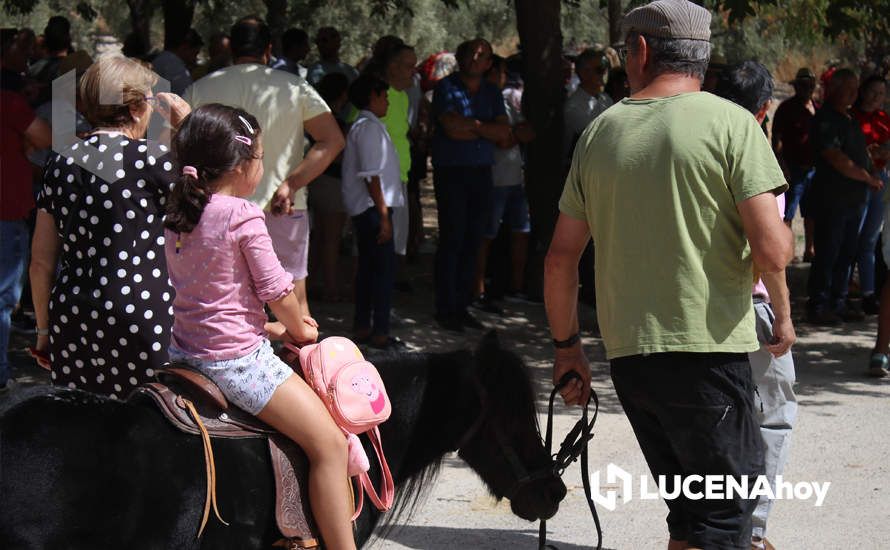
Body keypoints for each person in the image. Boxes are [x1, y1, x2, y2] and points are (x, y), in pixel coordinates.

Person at [544, 2, 793, 549]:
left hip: (633, 359)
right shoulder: (732, 124)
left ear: (640, 51)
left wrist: (567, 348)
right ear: (701, 57)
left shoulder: (600, 132)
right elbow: (772, 249)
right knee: (724, 521)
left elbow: (561, 258)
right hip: (707, 355)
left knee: (689, 513)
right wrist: (784, 316)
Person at [163, 104, 355, 550]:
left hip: (185, 352)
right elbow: (276, 289)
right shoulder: (241, 213)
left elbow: (209, 296)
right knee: (329, 444)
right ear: (244, 165)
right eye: (262, 156)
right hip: (236, 364)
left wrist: (267, 328)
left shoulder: (179, 212)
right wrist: (300, 329)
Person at [29, 55, 190, 396]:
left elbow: (41, 261)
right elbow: (212, 207)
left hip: (73, 314)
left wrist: (45, 332)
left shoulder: (60, 161)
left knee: (84, 432)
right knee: (150, 426)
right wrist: (188, 126)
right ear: (134, 108)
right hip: (143, 310)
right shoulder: (153, 160)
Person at [184, 16, 344, 323]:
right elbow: (333, 140)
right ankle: (305, 368)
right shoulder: (295, 87)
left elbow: (173, 147)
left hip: (216, 211)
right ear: (269, 50)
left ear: (231, 48)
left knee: (222, 303)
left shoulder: (200, 89)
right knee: (296, 305)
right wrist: (293, 182)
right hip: (282, 205)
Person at [715, 60, 798, 550]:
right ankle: (751, 531)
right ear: (764, 108)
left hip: (691, 305)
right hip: (748, 304)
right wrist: (784, 318)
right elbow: (770, 255)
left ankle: (706, 526)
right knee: (772, 414)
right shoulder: (755, 155)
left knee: (715, 418)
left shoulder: (688, 148)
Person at [430, 38, 510, 332]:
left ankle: (462, 306)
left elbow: (503, 132)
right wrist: (484, 129)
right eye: (472, 54)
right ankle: (446, 307)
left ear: (489, 62)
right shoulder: (445, 87)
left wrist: (472, 127)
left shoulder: (492, 91)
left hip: (481, 172)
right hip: (452, 171)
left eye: (483, 55)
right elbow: (450, 129)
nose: (476, 59)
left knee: (473, 239)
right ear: (461, 57)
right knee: (452, 237)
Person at [806, 69, 883, 325]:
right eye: (849, 88)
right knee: (828, 252)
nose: (854, 93)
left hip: (854, 201)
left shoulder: (848, 119)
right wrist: (866, 177)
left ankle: (838, 302)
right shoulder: (826, 119)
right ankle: (818, 304)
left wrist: (870, 170)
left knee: (847, 253)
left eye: (855, 87)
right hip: (833, 200)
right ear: (835, 89)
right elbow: (836, 158)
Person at [1, 28, 52, 392]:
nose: (28, 57)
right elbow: (45, 138)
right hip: (7, 210)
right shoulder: (10, 103)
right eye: (21, 50)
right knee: (3, 298)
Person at [342, 75, 406, 349]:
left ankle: (364, 325)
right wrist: (383, 216)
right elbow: (372, 177)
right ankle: (379, 330)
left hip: (371, 207)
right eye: (384, 96)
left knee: (370, 269)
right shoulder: (367, 128)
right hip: (372, 208)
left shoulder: (367, 126)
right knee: (381, 270)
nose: (388, 101)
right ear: (372, 97)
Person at [472, 54, 535, 312]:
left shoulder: (508, 102)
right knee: (487, 236)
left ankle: (515, 287)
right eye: (500, 72)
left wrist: (513, 134)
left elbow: (525, 132)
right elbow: (502, 138)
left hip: (515, 178)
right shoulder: (482, 103)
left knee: (520, 232)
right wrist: (511, 134)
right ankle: (478, 289)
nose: (504, 77)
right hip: (495, 179)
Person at [307, 72, 350, 302]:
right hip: (333, 183)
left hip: (317, 182)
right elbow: (339, 156)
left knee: (320, 237)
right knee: (332, 238)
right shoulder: (336, 123)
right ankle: (331, 288)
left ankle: (313, 282)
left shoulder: (313, 119)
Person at [851, 76, 890, 316]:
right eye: (873, 92)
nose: (877, 97)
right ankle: (841, 292)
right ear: (863, 92)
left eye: (882, 93)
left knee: (870, 239)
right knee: (850, 238)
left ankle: (868, 292)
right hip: (856, 181)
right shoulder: (852, 117)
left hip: (881, 181)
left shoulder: (884, 119)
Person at [773, 68, 818, 261]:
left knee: (812, 213)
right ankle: (788, 252)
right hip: (793, 168)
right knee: (788, 213)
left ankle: (810, 250)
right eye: (802, 84)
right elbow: (776, 138)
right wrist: (781, 164)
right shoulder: (786, 108)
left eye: (809, 85)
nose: (806, 88)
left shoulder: (818, 108)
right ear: (796, 86)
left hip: (814, 170)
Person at [563, 47, 613, 163]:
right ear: (584, 73)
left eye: (607, 68)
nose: (605, 73)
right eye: (601, 69)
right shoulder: (573, 107)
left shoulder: (606, 99)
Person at [151, 28, 203, 95]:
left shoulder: (163, 59)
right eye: (195, 53)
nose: (195, 58)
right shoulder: (173, 65)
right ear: (184, 47)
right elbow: (187, 94)